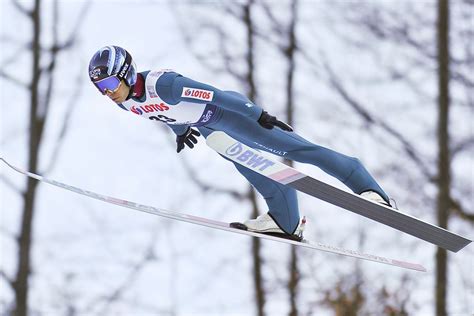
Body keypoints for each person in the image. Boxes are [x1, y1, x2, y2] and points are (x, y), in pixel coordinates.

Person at [88, 45, 391, 240]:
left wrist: (259, 115)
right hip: (209, 129)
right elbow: (165, 113)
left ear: (126, 73)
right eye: (100, 88)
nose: (108, 92)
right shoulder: (124, 102)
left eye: (110, 83)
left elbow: (218, 95)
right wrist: (180, 132)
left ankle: (369, 189)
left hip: (230, 115)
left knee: (295, 149)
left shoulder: (165, 85)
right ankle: (285, 221)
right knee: (252, 169)